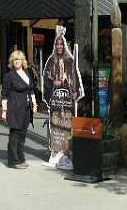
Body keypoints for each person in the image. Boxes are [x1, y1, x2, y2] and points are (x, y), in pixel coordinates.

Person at [42, 26, 83, 166]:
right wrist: (53, 84)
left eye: (61, 44)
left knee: (67, 125)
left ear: (64, 45)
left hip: (67, 102)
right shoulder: (50, 62)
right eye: (57, 44)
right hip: (55, 101)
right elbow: (46, 81)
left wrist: (75, 90)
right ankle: (55, 151)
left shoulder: (70, 61)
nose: (59, 46)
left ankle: (67, 153)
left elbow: (75, 77)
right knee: (55, 125)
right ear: (55, 46)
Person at [1, 50, 38, 169]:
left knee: (22, 134)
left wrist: (35, 103)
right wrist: (4, 111)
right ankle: (13, 161)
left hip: (27, 108)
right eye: (14, 59)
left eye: (19, 59)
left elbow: (31, 90)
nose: (17, 61)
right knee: (15, 134)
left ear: (23, 61)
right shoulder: (9, 76)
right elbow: (4, 94)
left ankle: (21, 158)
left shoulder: (27, 73)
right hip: (15, 108)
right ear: (12, 62)